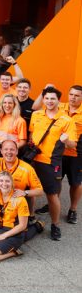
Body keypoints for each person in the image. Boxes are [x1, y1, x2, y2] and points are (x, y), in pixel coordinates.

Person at [28, 87, 78, 241]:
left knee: (52, 194)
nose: (49, 101)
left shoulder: (66, 120)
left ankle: (55, 225)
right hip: (32, 159)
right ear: (43, 99)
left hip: (50, 162)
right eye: (47, 98)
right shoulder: (36, 115)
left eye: (53, 98)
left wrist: (66, 140)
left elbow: (73, 144)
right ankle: (31, 216)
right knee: (30, 189)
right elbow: (31, 134)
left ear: (58, 100)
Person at [60, 85, 82, 224]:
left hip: (76, 154)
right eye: (71, 94)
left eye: (77, 95)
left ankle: (73, 209)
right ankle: (53, 203)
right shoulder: (60, 107)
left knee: (75, 183)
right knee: (56, 181)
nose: (73, 98)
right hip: (58, 152)